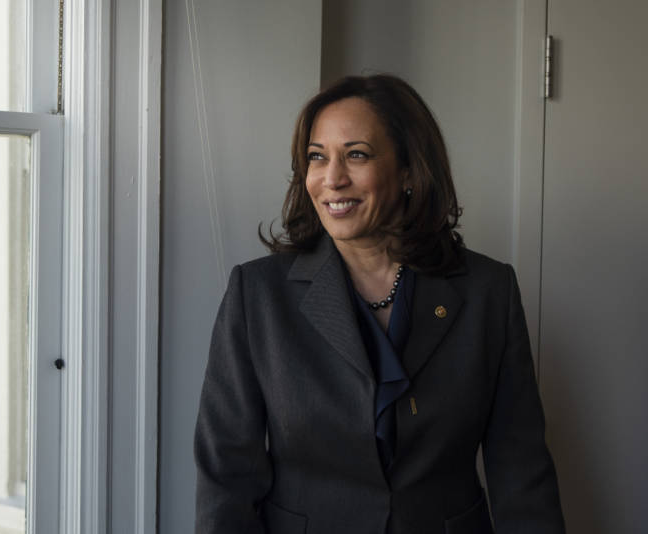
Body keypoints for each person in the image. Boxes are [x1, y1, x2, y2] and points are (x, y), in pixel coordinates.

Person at [194, 74, 565, 533]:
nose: (332, 179)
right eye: (316, 157)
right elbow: (226, 478)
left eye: (356, 154)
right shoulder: (257, 294)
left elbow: (520, 471)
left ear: (409, 170)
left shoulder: (488, 290)